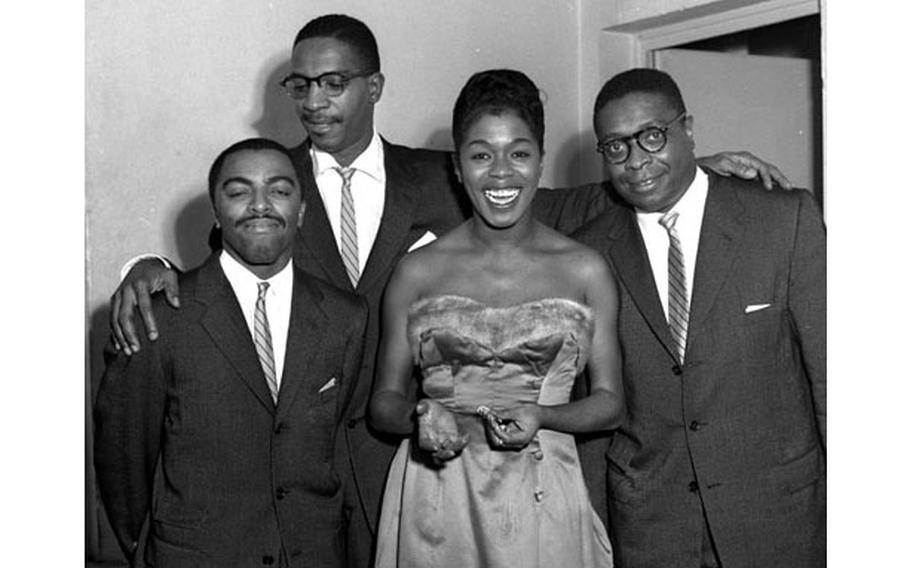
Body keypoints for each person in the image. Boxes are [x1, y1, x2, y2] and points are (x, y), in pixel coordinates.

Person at [105, 14, 792, 565]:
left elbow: (576, 199)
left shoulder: (439, 174)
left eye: (334, 82)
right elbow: (221, 266)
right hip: (309, 479)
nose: (316, 100)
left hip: (439, 473)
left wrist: (693, 171)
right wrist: (144, 263)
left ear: (373, 86)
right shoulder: (267, 181)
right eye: (301, 84)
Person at [369, 68, 623, 568]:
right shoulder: (417, 270)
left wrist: (546, 416)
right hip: (438, 498)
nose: (501, 172)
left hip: (543, 493)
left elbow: (610, 402)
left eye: (519, 153)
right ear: (458, 168)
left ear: (541, 162)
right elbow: (383, 402)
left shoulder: (585, 269)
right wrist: (421, 414)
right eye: (481, 155)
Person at [572, 68, 825, 567]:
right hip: (650, 527)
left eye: (651, 136)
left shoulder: (782, 219)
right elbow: (592, 410)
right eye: (615, 147)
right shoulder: (587, 252)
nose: (636, 161)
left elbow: (832, 378)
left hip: (777, 517)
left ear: (688, 129)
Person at [94, 138, 369, 567]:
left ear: (301, 209)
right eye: (239, 192)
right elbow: (122, 460)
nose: (260, 205)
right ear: (215, 212)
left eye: (279, 191)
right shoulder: (159, 317)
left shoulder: (344, 316)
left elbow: (336, 444)